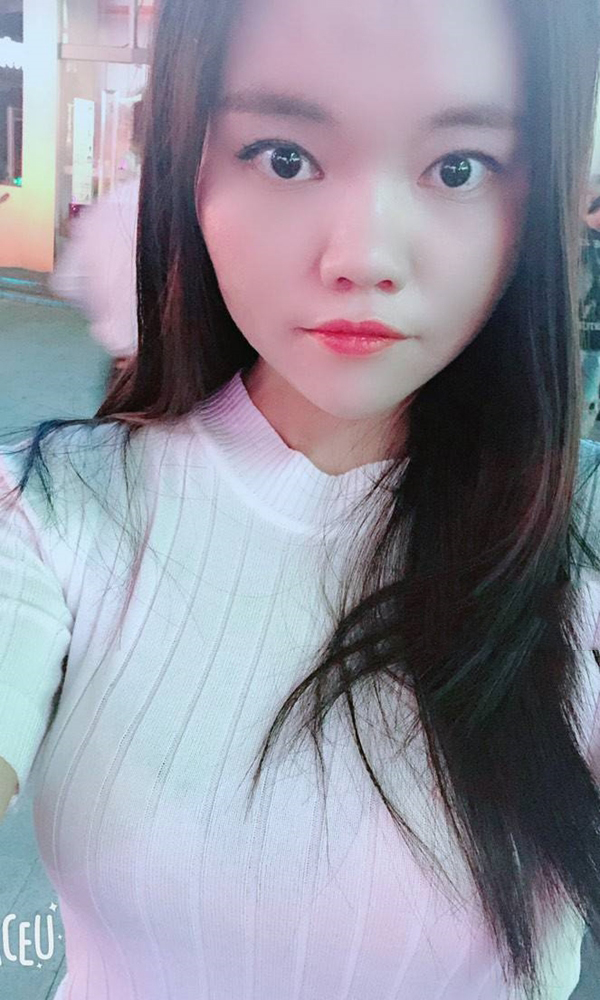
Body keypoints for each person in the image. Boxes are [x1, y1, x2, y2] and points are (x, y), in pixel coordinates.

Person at [0, 1, 599, 998]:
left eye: (458, 167)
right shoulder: (50, 513)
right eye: (285, 157)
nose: (363, 255)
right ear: (190, 166)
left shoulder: (578, 549)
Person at [49, 100, 145, 390]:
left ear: (135, 142)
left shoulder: (106, 208)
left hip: (123, 369)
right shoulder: (202, 209)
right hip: (190, 374)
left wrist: (116, 322)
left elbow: (68, 282)